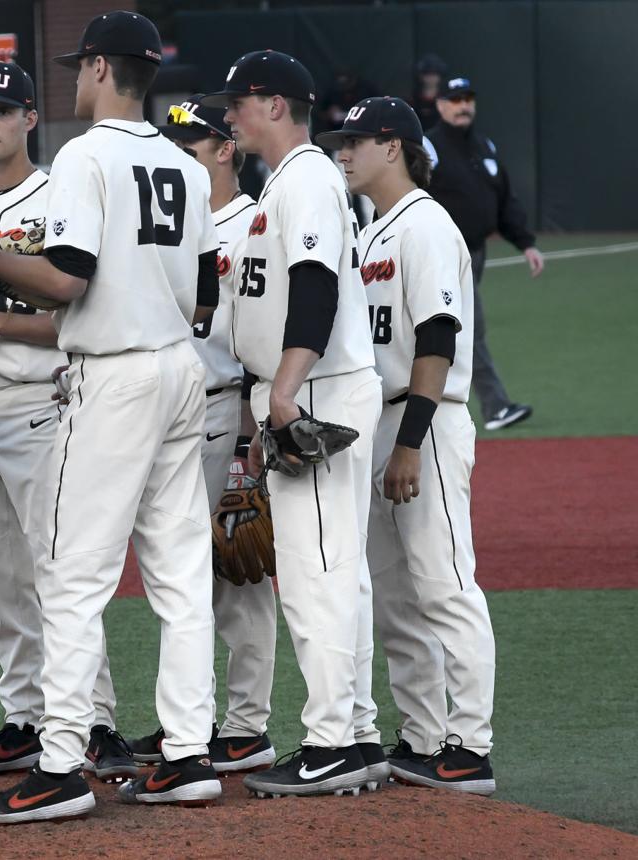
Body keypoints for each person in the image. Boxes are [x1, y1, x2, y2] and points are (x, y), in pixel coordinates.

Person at [0, 11, 223, 824]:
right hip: (183, 366)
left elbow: (66, 279)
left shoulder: (84, 155)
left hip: (114, 376)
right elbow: (207, 292)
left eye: (81, 65)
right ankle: (187, 756)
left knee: (71, 576)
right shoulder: (184, 164)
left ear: (105, 69)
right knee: (180, 576)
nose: (75, 77)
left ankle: (63, 761)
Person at [0, 62, 132, 784]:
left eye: (3, 110)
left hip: (43, 403)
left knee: (59, 575)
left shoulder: (60, 198)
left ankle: (97, 723)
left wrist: (1, 325)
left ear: (30, 119)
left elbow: (83, 313)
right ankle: (27, 720)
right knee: (4, 579)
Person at [200, 50, 386, 797]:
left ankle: (332, 742)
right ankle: (358, 734)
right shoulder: (287, 182)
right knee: (333, 567)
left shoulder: (307, 177)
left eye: (238, 103)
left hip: (317, 390)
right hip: (307, 386)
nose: (230, 116)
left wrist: (284, 389)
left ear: (275, 105)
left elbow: (315, 286)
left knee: (314, 572)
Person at [320, 96, 497, 796]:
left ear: (393, 147)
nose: (345, 151)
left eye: (357, 141)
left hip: (425, 421)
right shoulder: (374, 232)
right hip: (384, 421)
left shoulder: (425, 225)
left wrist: (411, 444)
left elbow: (438, 337)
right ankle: (424, 737)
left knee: (445, 585)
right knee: (395, 596)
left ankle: (472, 745)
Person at [127, 95, 278, 775]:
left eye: (192, 145)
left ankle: (246, 725)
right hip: (169, 409)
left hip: (224, 410)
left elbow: (260, 331)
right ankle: (188, 724)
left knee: (233, 569)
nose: (177, 154)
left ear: (225, 149)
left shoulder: (251, 224)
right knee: (182, 570)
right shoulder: (172, 222)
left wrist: (254, 427)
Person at [426, 75, 542, 431]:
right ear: (441, 105)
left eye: (467, 99)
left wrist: (525, 242)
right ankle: (496, 406)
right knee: (467, 328)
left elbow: (503, 199)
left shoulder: (483, 145)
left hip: (475, 254)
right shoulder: (429, 147)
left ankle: (431, 404)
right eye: (455, 99)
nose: (463, 105)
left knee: (449, 329)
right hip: (446, 256)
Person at [411, 54, 447, 131]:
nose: (431, 78)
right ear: (420, 76)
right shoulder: (412, 101)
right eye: (427, 74)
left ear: (440, 76)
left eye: (434, 74)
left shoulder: (446, 101)